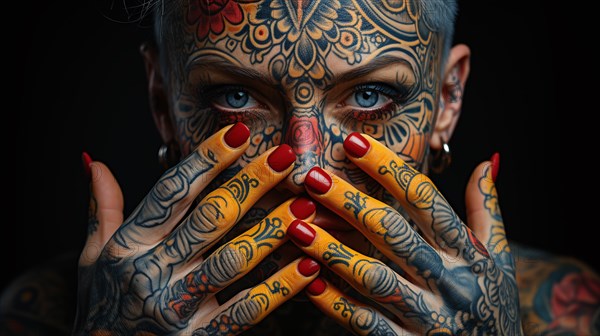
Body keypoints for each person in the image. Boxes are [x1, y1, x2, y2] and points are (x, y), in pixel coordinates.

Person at [2, 0, 598, 335]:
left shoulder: (570, 317)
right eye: (236, 96)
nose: (303, 164)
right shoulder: (36, 317)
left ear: (446, 101)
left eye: (368, 97)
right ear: (162, 100)